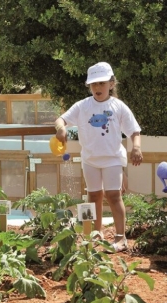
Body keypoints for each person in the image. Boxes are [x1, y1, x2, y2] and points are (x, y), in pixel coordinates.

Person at [54, 62, 143, 252]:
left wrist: (136, 148)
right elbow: (61, 119)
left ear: (111, 84)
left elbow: (134, 130)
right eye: (93, 84)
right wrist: (61, 128)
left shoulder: (118, 106)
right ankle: (96, 232)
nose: (97, 88)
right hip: (90, 159)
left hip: (112, 159)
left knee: (113, 195)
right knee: (93, 195)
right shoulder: (83, 106)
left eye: (101, 83)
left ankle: (121, 237)